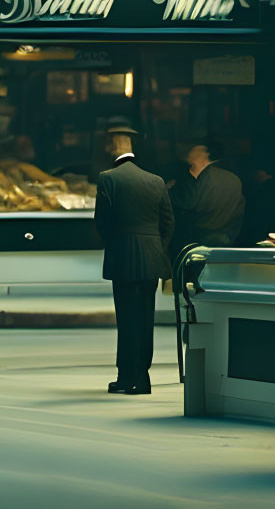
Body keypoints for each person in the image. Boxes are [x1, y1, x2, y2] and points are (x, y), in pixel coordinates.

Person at [95, 119, 174, 395]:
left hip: (123, 257)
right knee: (144, 319)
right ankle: (142, 376)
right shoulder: (155, 180)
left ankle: (126, 374)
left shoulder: (108, 178)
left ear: (113, 148)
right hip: (151, 257)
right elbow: (168, 223)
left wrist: (118, 244)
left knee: (126, 319)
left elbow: (102, 222)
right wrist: (156, 247)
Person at [169, 142, 245, 257]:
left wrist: (168, 190)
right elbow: (239, 210)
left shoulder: (203, 177)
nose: (189, 160)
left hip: (199, 242)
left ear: (202, 157)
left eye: (192, 156)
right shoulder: (234, 177)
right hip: (227, 240)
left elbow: (188, 203)